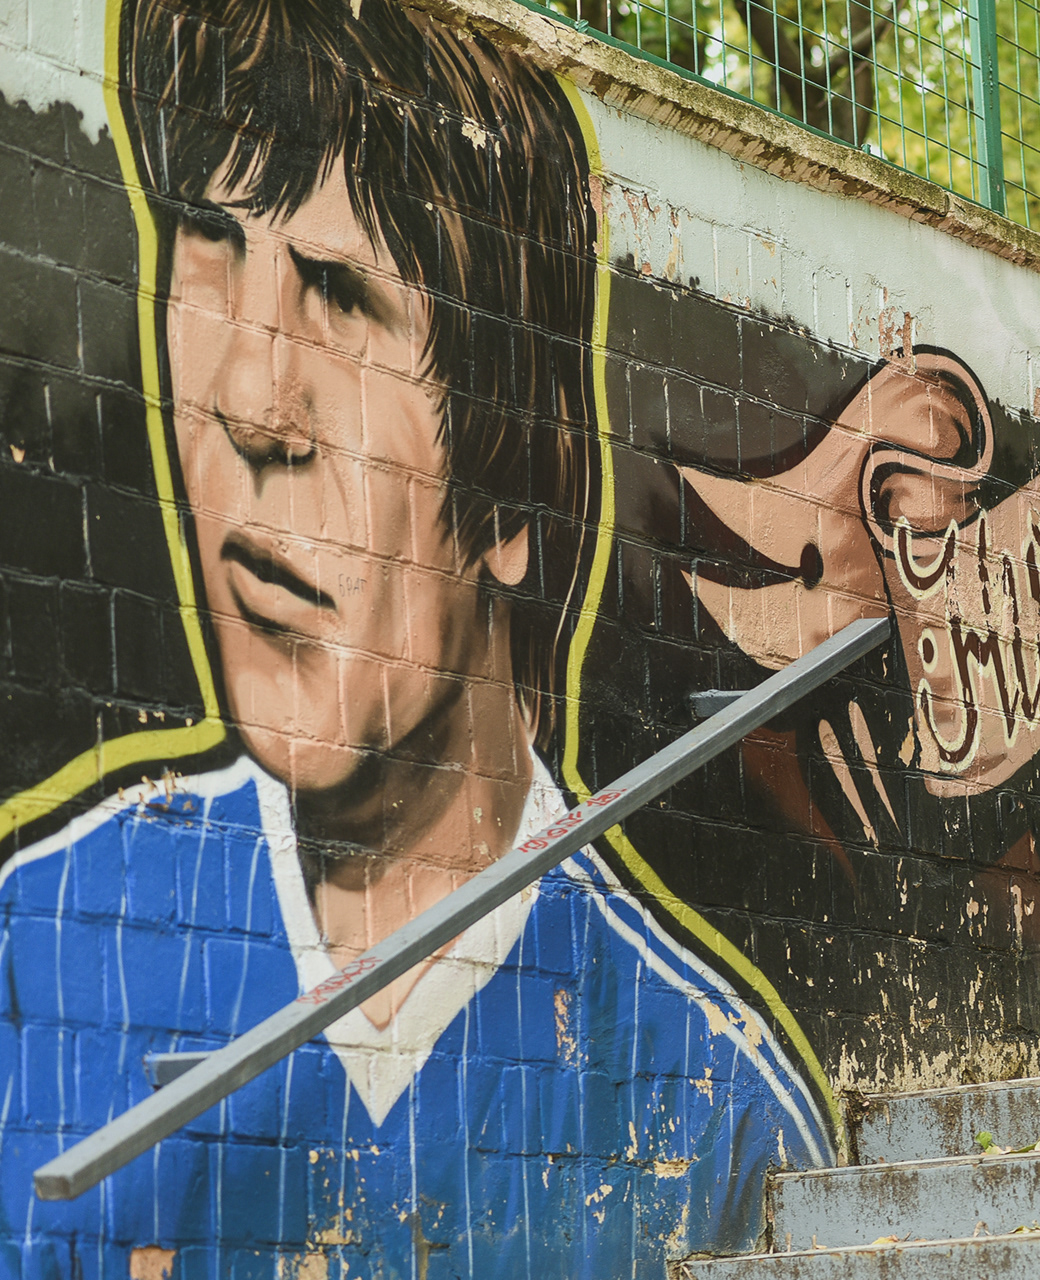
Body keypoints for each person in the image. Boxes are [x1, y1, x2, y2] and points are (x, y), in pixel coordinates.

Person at [0, 0, 826, 1274]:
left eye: (339, 292)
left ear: (518, 485)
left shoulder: (718, 1115)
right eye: (209, 240)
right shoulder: (37, 948)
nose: (251, 402)